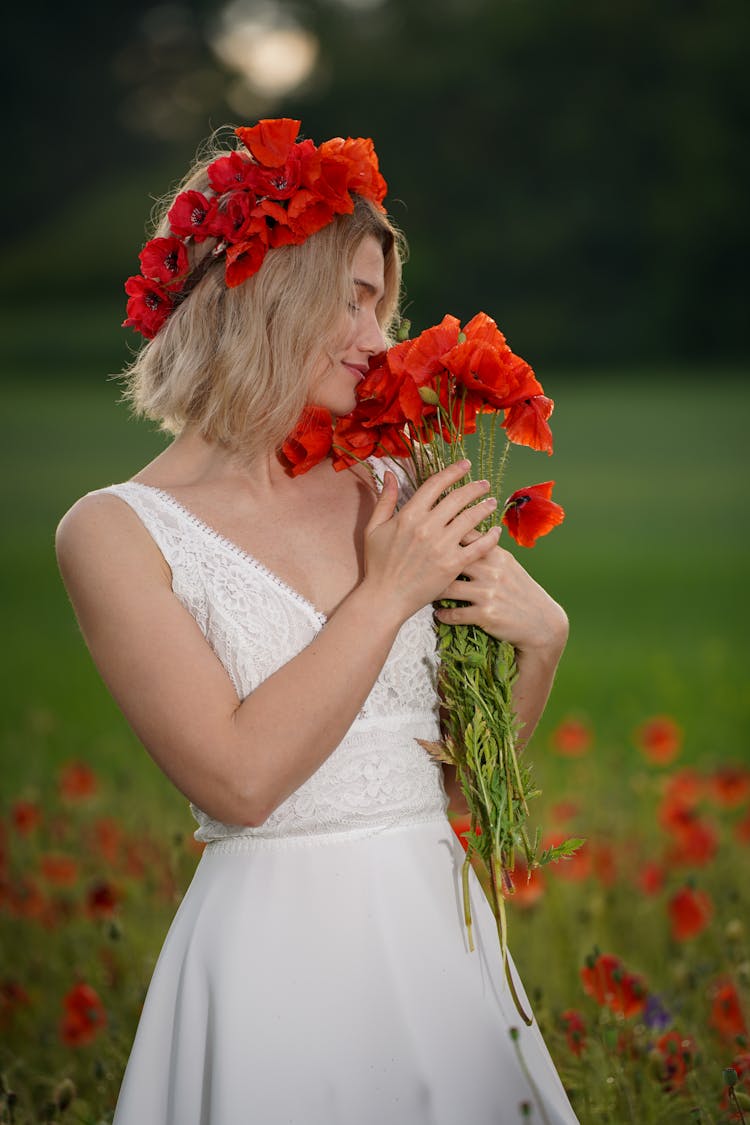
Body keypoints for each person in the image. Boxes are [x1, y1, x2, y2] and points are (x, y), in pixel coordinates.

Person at [56, 118, 578, 1124]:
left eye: (381, 304)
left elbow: (468, 781)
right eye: (352, 301)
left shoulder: (392, 483)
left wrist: (541, 641)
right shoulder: (116, 533)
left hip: (442, 946)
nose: (380, 341)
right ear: (262, 297)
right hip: (275, 968)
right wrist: (387, 592)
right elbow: (241, 781)